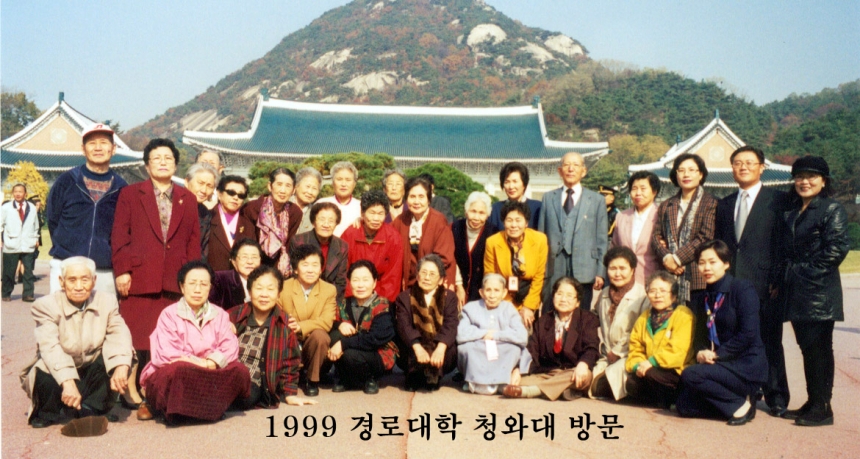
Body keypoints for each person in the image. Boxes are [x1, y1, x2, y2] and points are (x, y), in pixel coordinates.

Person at [111, 138, 201, 398]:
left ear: (176, 164)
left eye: (168, 158)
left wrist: (191, 277)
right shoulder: (130, 194)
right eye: (156, 158)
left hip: (174, 278)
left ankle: (157, 388)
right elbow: (120, 235)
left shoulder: (187, 198)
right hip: (139, 276)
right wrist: (123, 271)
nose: (163, 162)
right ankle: (130, 386)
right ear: (147, 165)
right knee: (135, 334)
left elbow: (193, 240)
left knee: (167, 337)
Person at [714, 145, 789, 417]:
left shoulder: (778, 201)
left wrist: (776, 279)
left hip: (764, 283)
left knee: (769, 339)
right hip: (733, 284)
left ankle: (776, 395)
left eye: (749, 162)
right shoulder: (725, 204)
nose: (743, 167)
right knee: (736, 337)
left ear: (762, 167)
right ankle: (745, 391)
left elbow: (783, 244)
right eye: (737, 163)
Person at [777, 156, 850, 427]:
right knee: (807, 348)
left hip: (819, 292)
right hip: (797, 291)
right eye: (799, 176)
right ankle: (814, 400)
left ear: (823, 181)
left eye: (811, 177)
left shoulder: (831, 208)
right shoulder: (793, 210)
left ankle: (823, 407)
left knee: (819, 349)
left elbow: (836, 250)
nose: (804, 182)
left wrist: (798, 272)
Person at [21, 256, 134, 428]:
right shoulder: (45, 306)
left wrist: (122, 366)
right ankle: (47, 411)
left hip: (89, 365)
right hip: (59, 368)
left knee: (119, 356)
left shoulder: (107, 301)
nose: (79, 286)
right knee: (44, 369)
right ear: (62, 281)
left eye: (85, 280)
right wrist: (67, 382)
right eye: (72, 280)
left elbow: (119, 334)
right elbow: (50, 348)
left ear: (94, 281)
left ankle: (94, 407)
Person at [137, 261, 250, 424]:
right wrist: (199, 363)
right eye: (192, 283)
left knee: (240, 370)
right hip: (184, 372)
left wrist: (209, 363)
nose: (198, 289)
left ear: (210, 288)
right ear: (182, 287)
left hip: (209, 370)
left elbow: (230, 347)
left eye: (203, 284)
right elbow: (167, 354)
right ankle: (187, 408)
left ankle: (195, 409)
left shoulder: (220, 314)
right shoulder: (169, 314)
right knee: (178, 370)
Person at [675, 240, 767, 425]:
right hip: (719, 365)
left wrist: (717, 355)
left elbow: (748, 334)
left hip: (745, 366)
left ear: (726, 264)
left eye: (712, 262)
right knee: (683, 406)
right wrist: (700, 352)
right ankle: (733, 403)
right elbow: (700, 338)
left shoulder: (742, 289)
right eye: (702, 263)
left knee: (690, 375)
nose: (706, 268)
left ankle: (741, 405)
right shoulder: (703, 297)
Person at [46, 123, 127, 295]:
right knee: (61, 312)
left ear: (113, 149)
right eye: (92, 143)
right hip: (66, 266)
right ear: (83, 149)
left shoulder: (122, 187)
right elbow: (53, 220)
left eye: (103, 142)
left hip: (104, 270)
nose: (98, 148)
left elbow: (126, 230)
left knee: (102, 313)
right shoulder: (66, 181)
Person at [652, 153, 717, 348]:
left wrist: (677, 259)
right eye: (681, 170)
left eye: (691, 170)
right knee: (669, 333)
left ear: (701, 174)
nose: (686, 174)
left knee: (698, 334)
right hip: (671, 279)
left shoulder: (711, 203)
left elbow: (705, 237)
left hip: (697, 279)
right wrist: (667, 258)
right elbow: (656, 237)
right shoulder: (667, 205)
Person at [229, 266, 317, 408]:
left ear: (278, 294)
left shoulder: (285, 325)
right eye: (259, 288)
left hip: (254, 382)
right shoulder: (233, 315)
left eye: (270, 289)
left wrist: (290, 394)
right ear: (250, 291)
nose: (264, 294)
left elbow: (291, 363)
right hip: (228, 373)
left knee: (245, 396)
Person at [503, 277, 599, 401]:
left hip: (573, 372)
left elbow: (592, 348)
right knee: (517, 380)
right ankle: (563, 390)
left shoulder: (587, 319)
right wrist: (519, 369)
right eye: (559, 294)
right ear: (553, 297)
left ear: (577, 302)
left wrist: (583, 364)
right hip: (548, 374)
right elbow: (532, 350)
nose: (563, 299)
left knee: (582, 377)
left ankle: (533, 391)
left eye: (569, 296)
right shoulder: (543, 321)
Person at [539, 152, 607, 312]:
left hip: (585, 266)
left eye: (576, 165)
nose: (571, 169)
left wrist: (600, 271)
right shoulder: (548, 198)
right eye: (567, 165)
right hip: (554, 265)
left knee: (581, 313)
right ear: (560, 170)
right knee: (550, 309)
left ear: (583, 171)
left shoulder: (596, 200)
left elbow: (602, 239)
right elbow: (541, 235)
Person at [625, 271, 695, 408]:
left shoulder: (683, 314)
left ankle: (671, 398)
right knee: (631, 383)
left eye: (663, 291)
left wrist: (651, 362)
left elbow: (678, 351)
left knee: (651, 375)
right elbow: (635, 348)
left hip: (676, 370)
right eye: (652, 291)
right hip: (651, 369)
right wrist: (638, 365)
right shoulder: (644, 317)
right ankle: (663, 399)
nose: (657, 295)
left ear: (673, 295)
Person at [328, 260, 398, 394]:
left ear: (374, 283)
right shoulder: (343, 304)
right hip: (353, 347)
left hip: (377, 354)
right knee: (334, 336)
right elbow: (329, 323)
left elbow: (375, 338)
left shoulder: (382, 305)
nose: (360, 285)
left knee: (349, 355)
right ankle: (346, 377)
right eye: (355, 280)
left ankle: (370, 379)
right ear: (350, 282)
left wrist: (344, 344)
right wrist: (339, 324)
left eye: (365, 280)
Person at [589, 247, 649, 401]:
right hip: (606, 356)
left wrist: (618, 352)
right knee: (587, 380)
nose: (617, 273)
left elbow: (640, 332)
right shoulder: (604, 294)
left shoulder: (642, 296)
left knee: (598, 385)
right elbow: (595, 320)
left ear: (632, 270)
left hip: (628, 355)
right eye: (612, 268)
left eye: (622, 268)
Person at [457, 274, 531, 395]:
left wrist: (496, 335)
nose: (492, 295)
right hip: (479, 348)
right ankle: (477, 382)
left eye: (496, 290)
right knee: (467, 348)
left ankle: (500, 382)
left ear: (504, 293)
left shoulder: (509, 308)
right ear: (481, 293)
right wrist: (484, 333)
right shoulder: (470, 308)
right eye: (488, 290)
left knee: (514, 349)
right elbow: (461, 334)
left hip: (502, 348)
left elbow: (522, 336)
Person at [279, 244, 337, 397]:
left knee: (321, 336)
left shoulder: (329, 290)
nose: (310, 270)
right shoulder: (283, 287)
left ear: (321, 269)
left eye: (315, 265)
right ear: (296, 269)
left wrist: (300, 326)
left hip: (313, 344)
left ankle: (312, 380)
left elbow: (326, 321)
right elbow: (276, 313)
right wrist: (289, 323)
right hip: (289, 339)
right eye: (305, 265)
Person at [394, 255, 459, 391]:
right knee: (403, 347)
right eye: (423, 273)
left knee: (451, 349)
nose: (427, 278)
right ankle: (413, 375)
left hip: (437, 346)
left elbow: (451, 325)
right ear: (417, 276)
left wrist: (440, 349)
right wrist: (418, 349)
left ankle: (435, 374)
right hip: (414, 346)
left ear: (440, 280)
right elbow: (404, 326)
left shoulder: (450, 297)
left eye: (432, 274)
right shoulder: (404, 297)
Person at [484, 200, 548, 329]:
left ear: (526, 223)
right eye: (509, 220)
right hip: (503, 298)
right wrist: (507, 307)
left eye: (518, 220)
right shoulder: (493, 242)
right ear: (504, 222)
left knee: (527, 331)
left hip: (528, 297)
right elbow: (490, 277)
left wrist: (528, 307)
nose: (514, 225)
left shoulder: (539, 240)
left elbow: (539, 277)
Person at [392, 176, 456, 289]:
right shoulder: (400, 220)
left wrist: (423, 276)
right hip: (408, 282)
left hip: (433, 282)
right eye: (412, 196)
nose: (416, 202)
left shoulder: (439, 221)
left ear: (429, 199)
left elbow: (444, 257)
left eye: (421, 197)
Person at [341, 190, 404, 303]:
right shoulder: (350, 234)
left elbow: (392, 278)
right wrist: (352, 300)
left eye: (380, 214)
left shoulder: (393, 237)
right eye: (372, 213)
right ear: (362, 213)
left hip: (380, 297)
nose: (376, 218)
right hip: (353, 295)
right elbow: (342, 272)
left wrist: (380, 303)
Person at [242, 167, 303, 276]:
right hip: (253, 265)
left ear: (293, 190)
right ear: (270, 186)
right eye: (279, 184)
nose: (283, 190)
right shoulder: (252, 208)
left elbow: (288, 245)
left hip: (279, 266)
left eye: (288, 186)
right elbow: (248, 243)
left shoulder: (295, 212)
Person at [290, 202, 348, 303]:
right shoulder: (298, 241)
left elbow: (340, 281)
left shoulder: (342, 246)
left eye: (331, 221)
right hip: (301, 297)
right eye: (322, 219)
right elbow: (293, 275)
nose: (326, 225)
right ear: (313, 222)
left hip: (328, 299)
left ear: (336, 223)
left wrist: (330, 303)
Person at [612, 171, 660, 285]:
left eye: (643, 189)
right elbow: (614, 247)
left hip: (652, 280)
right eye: (634, 189)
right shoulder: (621, 216)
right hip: (624, 280)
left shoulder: (661, 216)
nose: (638, 193)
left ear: (654, 191)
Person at [452, 191, 497, 306]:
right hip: (456, 287)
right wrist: (458, 286)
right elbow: (450, 258)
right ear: (466, 211)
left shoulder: (493, 233)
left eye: (482, 213)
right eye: (473, 211)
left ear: (487, 215)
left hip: (482, 293)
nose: (477, 217)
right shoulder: (454, 228)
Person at [1, 183, 40, 302]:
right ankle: (6, 293)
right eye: (15, 191)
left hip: (27, 243)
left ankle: (28, 294)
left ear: (25, 193)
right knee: (9, 272)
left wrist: (36, 239)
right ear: (13, 193)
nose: (18, 194)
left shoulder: (32, 207)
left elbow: (35, 225)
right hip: (11, 243)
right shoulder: (6, 207)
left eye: (20, 191)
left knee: (28, 272)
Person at [207, 175, 255, 272]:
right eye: (231, 193)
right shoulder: (207, 219)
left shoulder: (248, 225)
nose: (235, 197)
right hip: (212, 277)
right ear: (219, 193)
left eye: (241, 195)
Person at [209, 238, 262, 310]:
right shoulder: (220, 280)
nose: (250, 261)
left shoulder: (267, 281)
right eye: (244, 257)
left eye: (254, 257)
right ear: (234, 262)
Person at [488, 162, 541, 230]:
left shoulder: (538, 208)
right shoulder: (495, 209)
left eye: (515, 181)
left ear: (524, 184)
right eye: (507, 182)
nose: (511, 186)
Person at [316, 161, 361, 237]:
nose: (343, 184)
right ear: (333, 182)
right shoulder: (321, 203)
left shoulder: (361, 206)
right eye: (339, 179)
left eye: (348, 180)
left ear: (354, 184)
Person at [184, 163, 219, 258]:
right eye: (200, 183)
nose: (204, 190)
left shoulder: (206, 214)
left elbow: (203, 250)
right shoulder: (170, 205)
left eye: (209, 186)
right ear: (187, 182)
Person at [290, 167, 323, 235]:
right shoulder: (282, 205)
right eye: (307, 186)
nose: (310, 192)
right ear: (296, 186)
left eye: (314, 188)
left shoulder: (315, 214)